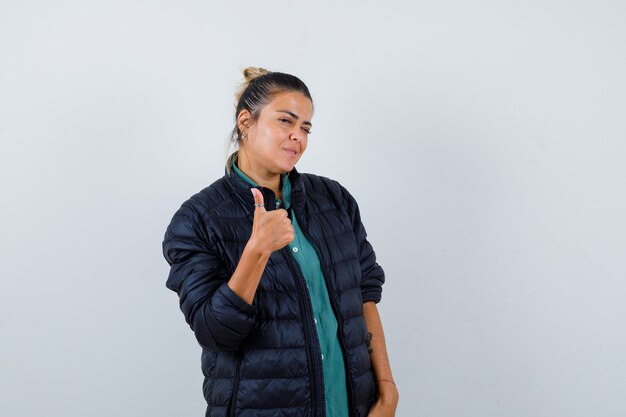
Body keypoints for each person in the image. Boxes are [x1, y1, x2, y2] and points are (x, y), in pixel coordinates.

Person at [162, 67, 399, 417]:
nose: (297, 137)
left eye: (305, 127)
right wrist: (256, 251)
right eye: (285, 121)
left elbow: (365, 295)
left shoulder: (334, 200)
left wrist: (387, 392)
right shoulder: (198, 219)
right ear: (246, 121)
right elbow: (215, 333)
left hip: (353, 407)